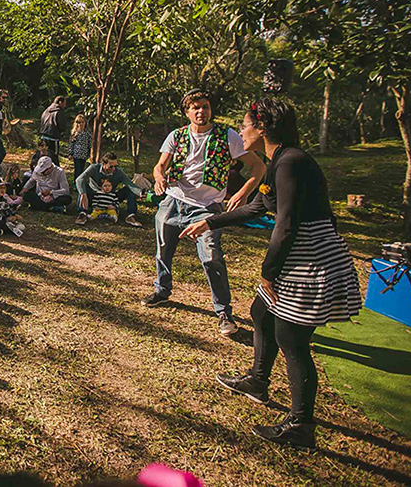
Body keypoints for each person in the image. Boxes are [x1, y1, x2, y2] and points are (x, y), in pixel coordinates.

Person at [180, 97, 361, 449]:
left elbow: (288, 224)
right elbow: (259, 207)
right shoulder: (279, 161)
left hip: (309, 257)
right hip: (297, 252)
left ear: (262, 128)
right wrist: (210, 222)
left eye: (245, 124)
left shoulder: (291, 162)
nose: (241, 130)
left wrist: (268, 272)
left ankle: (300, 425)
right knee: (261, 313)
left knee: (292, 340)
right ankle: (258, 381)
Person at [142, 88, 266, 337]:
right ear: (187, 112)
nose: (201, 111)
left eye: (205, 106)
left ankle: (223, 312)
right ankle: (162, 290)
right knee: (163, 249)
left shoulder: (227, 135)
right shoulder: (176, 136)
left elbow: (258, 167)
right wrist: (158, 178)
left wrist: (242, 193)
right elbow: (160, 166)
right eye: (195, 107)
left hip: (207, 208)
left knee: (211, 257)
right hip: (174, 200)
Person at [75, 153, 143, 228]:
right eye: (111, 166)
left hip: (110, 197)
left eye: (115, 166)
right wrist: (83, 194)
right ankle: (82, 213)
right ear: (103, 164)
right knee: (82, 185)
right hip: (95, 196)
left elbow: (130, 185)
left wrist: (140, 193)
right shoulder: (94, 168)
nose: (113, 169)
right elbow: (79, 179)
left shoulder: (118, 172)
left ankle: (131, 216)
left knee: (128, 190)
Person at [38, 96, 68, 166]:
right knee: (54, 157)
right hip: (53, 137)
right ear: (60, 102)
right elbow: (62, 126)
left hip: (43, 137)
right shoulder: (59, 111)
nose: (65, 106)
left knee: (44, 156)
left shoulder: (46, 111)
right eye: (64, 103)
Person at [67, 114, 92, 186]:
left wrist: (90, 153)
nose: (80, 124)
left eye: (82, 122)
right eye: (78, 122)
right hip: (76, 154)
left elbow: (89, 144)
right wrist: (70, 153)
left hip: (84, 154)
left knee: (82, 169)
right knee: (77, 169)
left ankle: (80, 182)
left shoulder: (87, 133)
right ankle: (76, 183)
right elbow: (71, 144)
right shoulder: (75, 133)